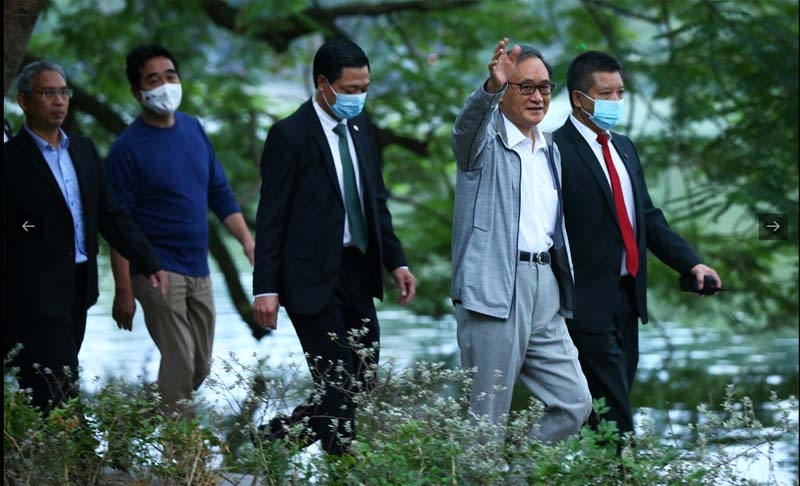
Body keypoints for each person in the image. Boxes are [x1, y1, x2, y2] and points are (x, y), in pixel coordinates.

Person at [251, 38, 416, 455]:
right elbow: (271, 218)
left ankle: (279, 438)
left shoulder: (361, 128)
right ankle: (341, 466)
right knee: (338, 382)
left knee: (363, 377)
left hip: (358, 269)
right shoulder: (289, 135)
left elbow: (375, 201)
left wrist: (396, 262)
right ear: (322, 83)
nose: (358, 98)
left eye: (364, 88)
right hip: (308, 276)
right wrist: (265, 288)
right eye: (350, 89)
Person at [553, 51, 722, 436]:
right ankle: (622, 476)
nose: (615, 102)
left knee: (609, 412)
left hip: (627, 299)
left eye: (620, 93)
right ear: (580, 98)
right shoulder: (554, 150)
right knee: (615, 417)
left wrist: (691, 264)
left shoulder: (623, 147)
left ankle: (599, 475)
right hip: (583, 303)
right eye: (606, 94)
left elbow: (645, 216)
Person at [2, 60, 168, 415]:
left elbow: (109, 213)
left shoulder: (83, 150)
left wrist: (147, 259)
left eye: (64, 92)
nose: (59, 101)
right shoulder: (10, 160)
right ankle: (77, 462)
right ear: (24, 101)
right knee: (57, 380)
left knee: (56, 378)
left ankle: (52, 455)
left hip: (80, 284)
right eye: (48, 93)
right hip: (34, 291)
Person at [450, 38, 591, 444]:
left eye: (544, 87)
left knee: (574, 404)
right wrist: (490, 89)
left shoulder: (550, 149)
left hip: (545, 287)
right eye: (524, 86)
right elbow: (466, 128)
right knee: (486, 424)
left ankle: (514, 473)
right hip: (494, 286)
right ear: (506, 91)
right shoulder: (482, 145)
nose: (536, 96)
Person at [105, 44, 255, 415]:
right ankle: (181, 462)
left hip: (198, 268)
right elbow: (116, 222)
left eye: (170, 76)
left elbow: (219, 192)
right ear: (137, 92)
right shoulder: (127, 148)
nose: (165, 85)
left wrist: (249, 242)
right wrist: (124, 290)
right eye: (153, 79)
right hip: (155, 271)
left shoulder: (193, 129)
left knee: (199, 367)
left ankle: (124, 433)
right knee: (181, 361)